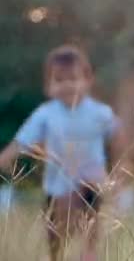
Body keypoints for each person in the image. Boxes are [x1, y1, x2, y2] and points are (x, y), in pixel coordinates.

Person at [0, 45, 127, 261]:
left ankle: (88, 256)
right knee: (56, 241)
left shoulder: (98, 113)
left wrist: (121, 170)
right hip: (57, 189)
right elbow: (21, 142)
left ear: (88, 81)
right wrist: (4, 160)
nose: (67, 85)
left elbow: (121, 135)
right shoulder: (46, 114)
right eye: (59, 79)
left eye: (73, 78)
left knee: (90, 235)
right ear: (48, 86)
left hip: (90, 185)